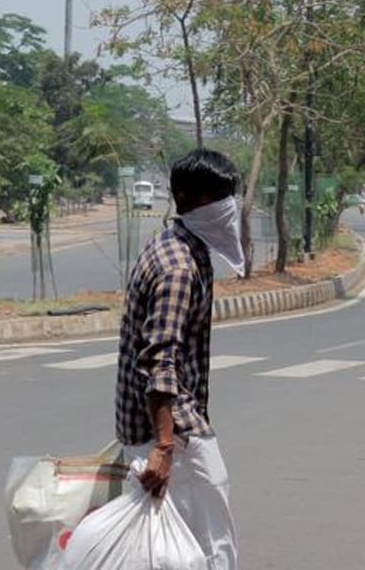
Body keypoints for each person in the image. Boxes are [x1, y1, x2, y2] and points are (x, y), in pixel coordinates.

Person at [115, 148, 241, 570]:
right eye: (221, 199)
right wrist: (165, 447)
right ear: (193, 200)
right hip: (175, 432)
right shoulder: (178, 268)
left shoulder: (176, 246)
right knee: (210, 546)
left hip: (157, 429)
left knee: (172, 548)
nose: (230, 209)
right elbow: (160, 360)